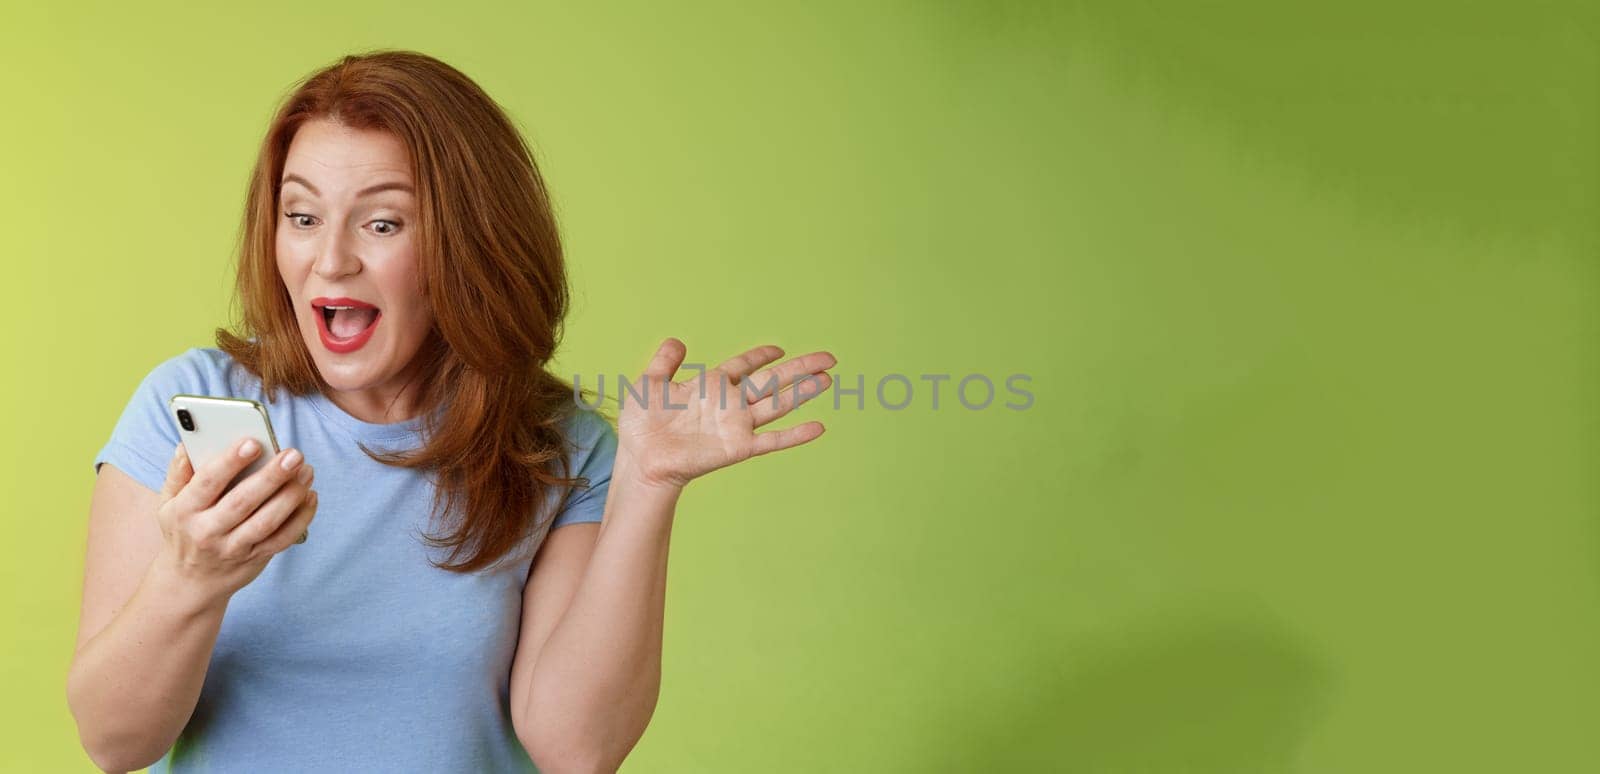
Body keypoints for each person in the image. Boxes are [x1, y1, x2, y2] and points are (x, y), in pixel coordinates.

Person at [66, 49, 835, 773]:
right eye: (301, 217)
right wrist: (192, 578)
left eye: (383, 223)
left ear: (470, 243)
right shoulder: (188, 405)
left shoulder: (557, 447)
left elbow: (578, 750)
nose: (330, 260)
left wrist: (650, 484)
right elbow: (113, 742)